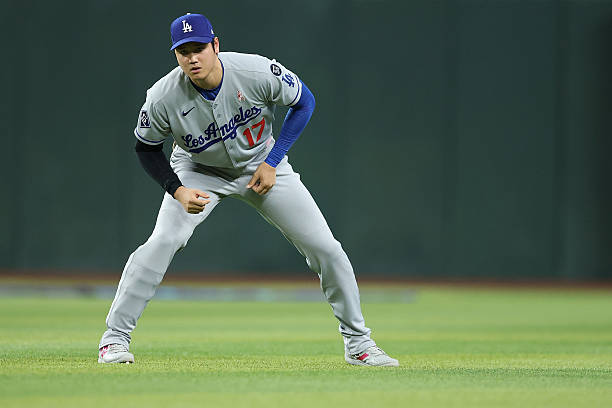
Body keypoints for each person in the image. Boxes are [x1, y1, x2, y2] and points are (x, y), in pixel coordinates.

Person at [97, 12, 399, 367]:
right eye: (183, 51)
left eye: (199, 48)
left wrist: (274, 160)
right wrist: (177, 189)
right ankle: (114, 340)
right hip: (197, 170)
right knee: (163, 241)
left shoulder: (254, 71)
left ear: (216, 45)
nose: (192, 58)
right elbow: (145, 148)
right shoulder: (163, 96)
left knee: (327, 249)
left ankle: (359, 344)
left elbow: (305, 102)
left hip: (262, 165)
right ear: (175, 55)